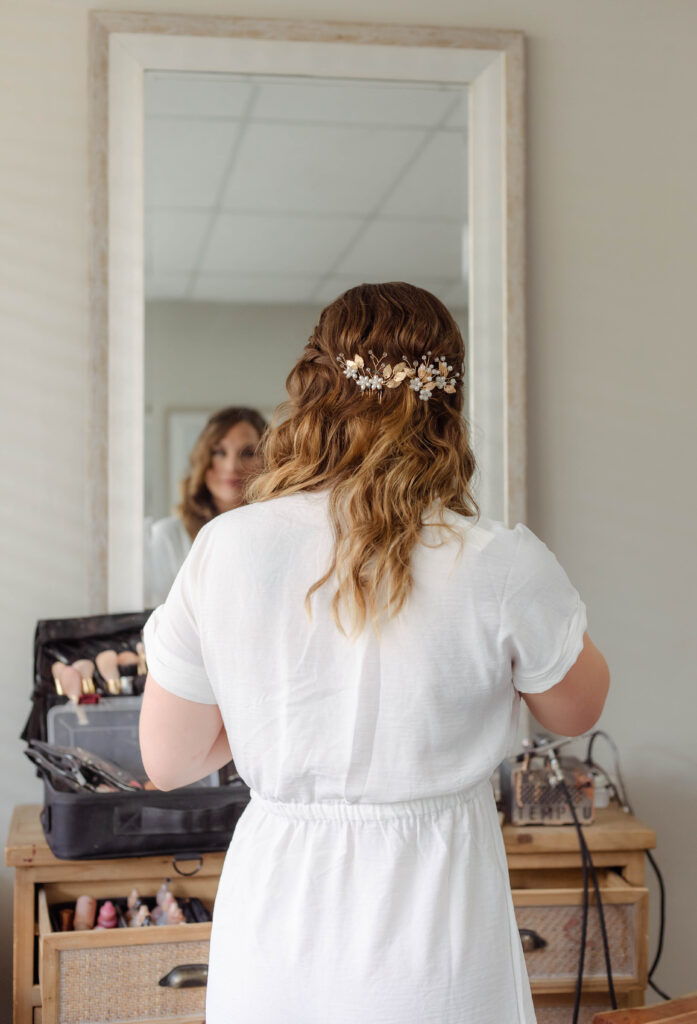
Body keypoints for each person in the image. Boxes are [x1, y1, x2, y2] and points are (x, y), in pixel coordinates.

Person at [139, 282, 610, 1024]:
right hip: (436, 910)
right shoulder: (497, 563)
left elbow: (168, 760)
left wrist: (274, 715)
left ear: (314, 393)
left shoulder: (226, 548)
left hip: (279, 912)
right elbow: (576, 709)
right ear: (446, 403)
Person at [144, 406, 266, 606]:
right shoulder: (169, 537)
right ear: (203, 460)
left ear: (267, 460)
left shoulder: (279, 534)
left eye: (248, 453)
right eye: (219, 452)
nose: (232, 466)